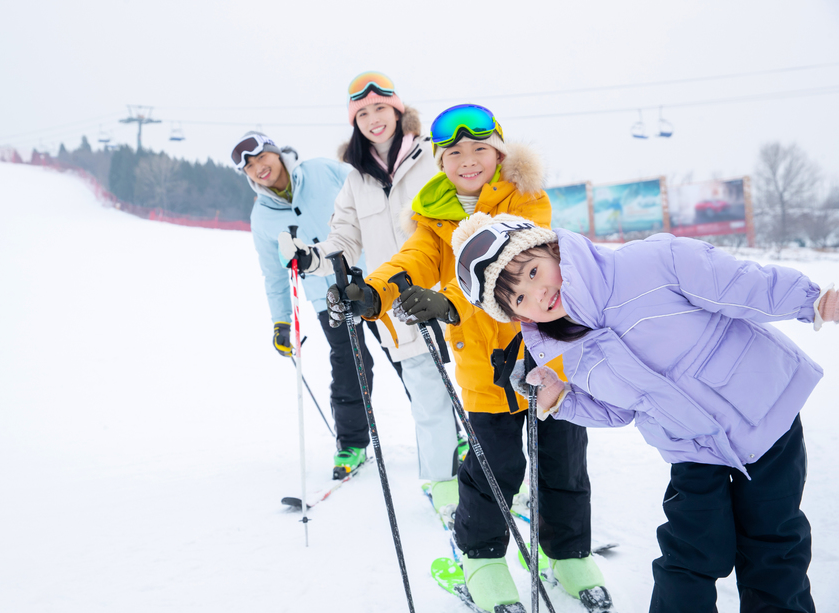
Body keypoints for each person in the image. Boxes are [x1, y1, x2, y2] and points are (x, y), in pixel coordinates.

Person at [452, 212, 835, 613]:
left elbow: (743, 286)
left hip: (765, 417)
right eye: (519, 299)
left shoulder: (651, 262)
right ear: (518, 317)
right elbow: (620, 412)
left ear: (551, 249)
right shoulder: (575, 352)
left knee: (772, 545)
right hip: (692, 449)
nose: (538, 295)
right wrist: (562, 399)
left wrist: (816, 302)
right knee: (689, 554)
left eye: (532, 272)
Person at [326, 104, 607, 612]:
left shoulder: (527, 199)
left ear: (499, 153)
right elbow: (416, 260)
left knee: (563, 460)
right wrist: (373, 293)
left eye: (480, 148)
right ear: (440, 161)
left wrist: (449, 301)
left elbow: (509, 264)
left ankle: (567, 551)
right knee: (492, 467)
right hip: (483, 361)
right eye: (454, 153)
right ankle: (481, 559)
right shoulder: (435, 211)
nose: (468, 160)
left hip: (550, 358)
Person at [277, 72, 464, 502]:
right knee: (429, 406)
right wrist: (312, 256)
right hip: (400, 306)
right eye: (362, 113)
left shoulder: (433, 156)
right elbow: (344, 238)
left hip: (454, 298)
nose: (373, 118)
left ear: (398, 110)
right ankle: (446, 494)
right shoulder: (355, 179)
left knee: (482, 396)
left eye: (380, 107)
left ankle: (508, 486)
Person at [234, 131, 377, 479]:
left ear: (276, 152)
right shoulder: (262, 218)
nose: (258, 168)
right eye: (249, 167)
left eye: (261, 158)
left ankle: (451, 436)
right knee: (349, 368)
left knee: (408, 357)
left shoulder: (321, 171)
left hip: (375, 279)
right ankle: (352, 445)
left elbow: (371, 196)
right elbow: (273, 274)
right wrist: (281, 322)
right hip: (327, 299)